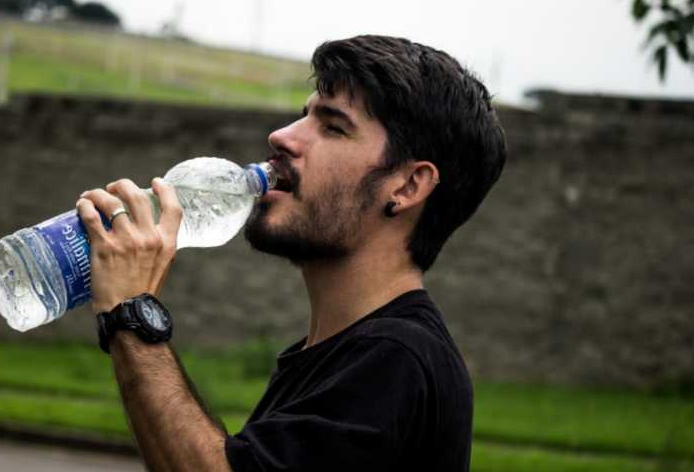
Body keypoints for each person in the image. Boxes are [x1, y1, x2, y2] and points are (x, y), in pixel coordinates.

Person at [75, 35, 507, 472]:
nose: (281, 136)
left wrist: (131, 315)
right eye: (304, 116)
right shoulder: (340, 352)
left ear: (407, 186)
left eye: (333, 127)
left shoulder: (396, 358)